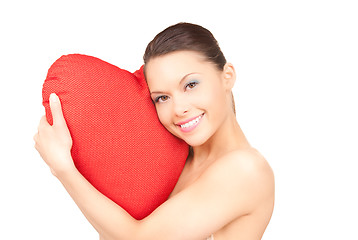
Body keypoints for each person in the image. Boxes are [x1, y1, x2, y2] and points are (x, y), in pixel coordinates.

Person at [34, 22, 275, 240]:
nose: (179, 109)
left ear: (227, 76)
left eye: (191, 85)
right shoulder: (173, 156)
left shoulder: (246, 169)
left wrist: (64, 169)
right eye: (162, 97)